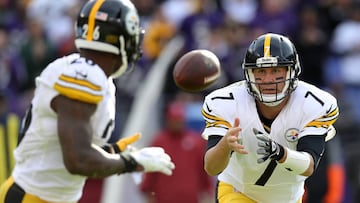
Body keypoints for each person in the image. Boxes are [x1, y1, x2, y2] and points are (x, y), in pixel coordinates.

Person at [0, 0, 175, 203]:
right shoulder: (82, 75)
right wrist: (130, 162)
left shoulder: (96, 76)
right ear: (119, 38)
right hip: (32, 197)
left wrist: (114, 152)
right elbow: (78, 160)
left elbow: (66, 146)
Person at [201, 33, 339, 203]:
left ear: (292, 71)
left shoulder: (315, 103)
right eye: (261, 71)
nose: (268, 79)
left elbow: (309, 166)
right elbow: (211, 167)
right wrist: (224, 145)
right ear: (249, 73)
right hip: (239, 190)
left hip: (287, 198)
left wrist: (281, 153)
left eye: (275, 70)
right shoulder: (226, 102)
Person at [140, 100, 214, 203]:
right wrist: (147, 189)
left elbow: (202, 169)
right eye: (174, 119)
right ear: (168, 120)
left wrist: (207, 190)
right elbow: (150, 170)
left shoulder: (195, 141)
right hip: (164, 199)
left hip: (190, 199)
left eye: (179, 119)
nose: (177, 122)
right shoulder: (159, 141)